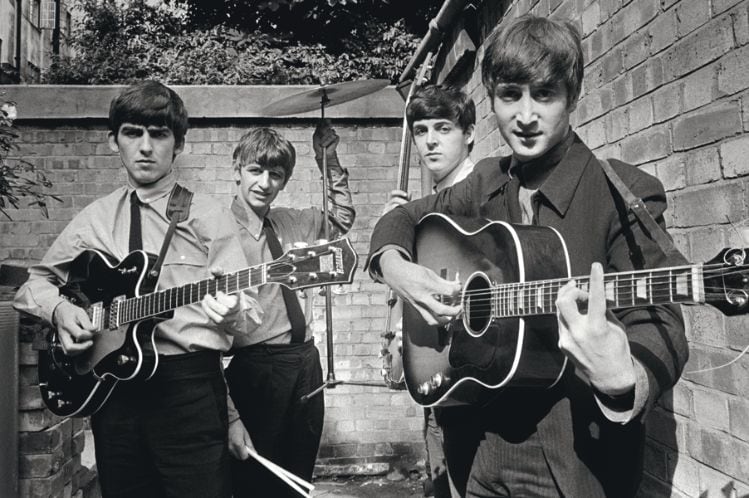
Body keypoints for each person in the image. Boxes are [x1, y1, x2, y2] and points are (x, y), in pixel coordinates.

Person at [367, 15, 688, 498]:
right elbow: (404, 220)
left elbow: (660, 316)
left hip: (577, 462)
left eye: (545, 94)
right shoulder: (482, 185)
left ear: (573, 97)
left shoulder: (623, 192)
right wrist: (397, 269)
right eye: (510, 95)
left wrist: (626, 376)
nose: (526, 115)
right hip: (475, 453)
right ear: (492, 98)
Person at [14, 80, 258, 498]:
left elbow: (249, 314)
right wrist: (60, 312)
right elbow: (36, 283)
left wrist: (232, 309)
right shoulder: (94, 218)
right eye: (133, 133)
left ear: (178, 144)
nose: (146, 147)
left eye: (159, 134)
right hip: (114, 391)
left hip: (189, 391)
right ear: (114, 141)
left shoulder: (208, 216)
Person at [224, 123, 355, 497]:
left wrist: (327, 158)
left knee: (299, 477)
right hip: (256, 368)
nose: (265, 182)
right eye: (255, 170)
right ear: (237, 169)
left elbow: (341, 219)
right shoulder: (216, 232)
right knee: (256, 481)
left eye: (275, 175)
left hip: (305, 364)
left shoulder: (292, 221)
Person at [382, 83, 476, 498]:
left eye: (443, 128)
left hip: (472, 381)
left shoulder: (481, 197)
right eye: (421, 131)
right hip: (437, 374)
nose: (430, 141)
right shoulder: (427, 206)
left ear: (469, 132)